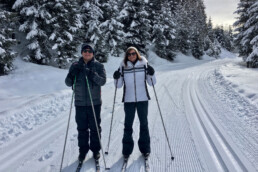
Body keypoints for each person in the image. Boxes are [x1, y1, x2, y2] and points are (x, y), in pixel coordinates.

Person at [65, 44, 106, 162]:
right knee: (82, 129)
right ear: (82, 53)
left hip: (95, 103)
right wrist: (72, 74)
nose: (87, 53)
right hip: (80, 103)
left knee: (95, 128)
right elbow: (68, 83)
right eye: (85, 51)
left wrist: (92, 74)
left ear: (93, 53)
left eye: (89, 51)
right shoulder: (75, 65)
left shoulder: (98, 65)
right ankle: (82, 151)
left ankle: (96, 150)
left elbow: (102, 81)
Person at [113, 46, 156, 159]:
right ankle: (127, 150)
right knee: (128, 125)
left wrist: (152, 73)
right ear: (126, 56)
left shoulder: (144, 65)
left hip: (143, 99)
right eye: (129, 54)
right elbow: (118, 86)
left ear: (137, 54)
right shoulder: (123, 67)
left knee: (144, 124)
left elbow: (152, 83)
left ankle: (145, 149)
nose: (131, 56)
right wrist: (116, 77)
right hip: (129, 100)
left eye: (133, 53)